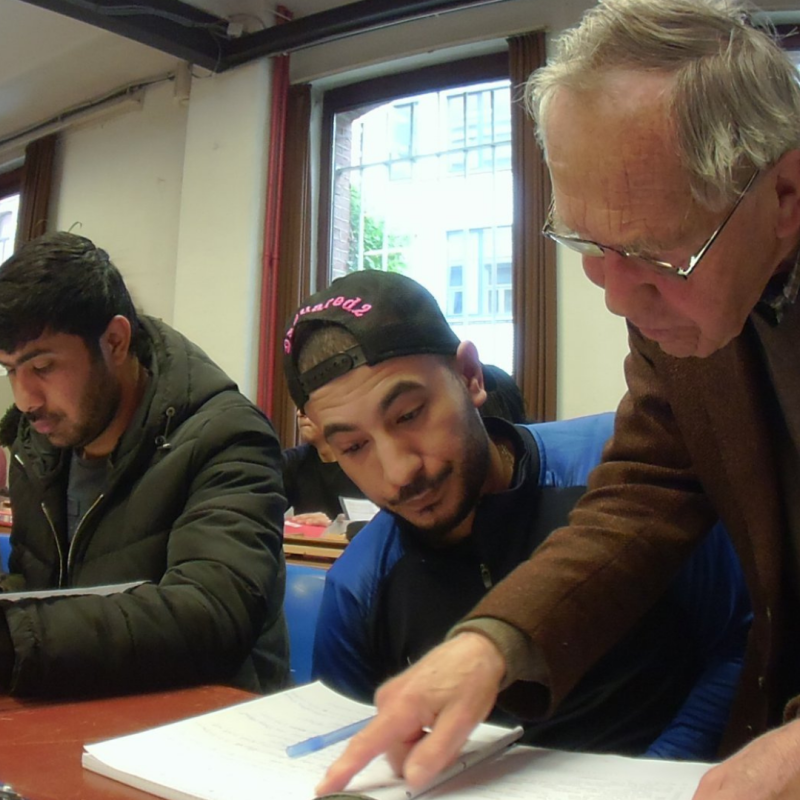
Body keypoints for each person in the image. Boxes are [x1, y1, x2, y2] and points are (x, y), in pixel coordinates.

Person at [317, 3, 800, 798]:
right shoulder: (679, 299)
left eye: (651, 254)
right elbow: (651, 485)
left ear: (784, 194)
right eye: (587, 244)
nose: (616, 297)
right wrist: (494, 642)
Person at [285, 269, 750, 761]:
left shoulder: (634, 475)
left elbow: (743, 639)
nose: (399, 472)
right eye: (355, 446)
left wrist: (659, 777)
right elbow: (346, 745)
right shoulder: (358, 585)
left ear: (470, 376)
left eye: (409, 415)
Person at [0, 232, 289, 697]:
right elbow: (38, 587)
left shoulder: (226, 436)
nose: (25, 399)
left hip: (206, 718)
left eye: (43, 367)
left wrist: (12, 643)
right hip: (78, 703)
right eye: (11, 370)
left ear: (115, 341)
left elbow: (211, 615)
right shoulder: (37, 443)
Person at [282, 409, 365, 527]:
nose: (300, 413)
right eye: (299, 407)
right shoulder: (293, 461)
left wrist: (333, 526)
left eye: (308, 405)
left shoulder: (368, 462)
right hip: (307, 539)